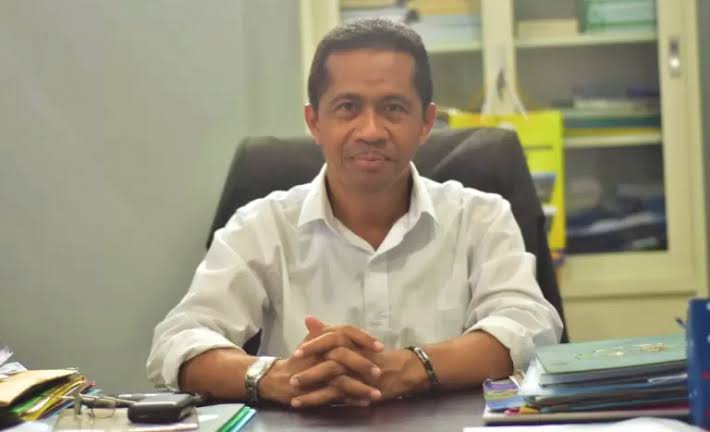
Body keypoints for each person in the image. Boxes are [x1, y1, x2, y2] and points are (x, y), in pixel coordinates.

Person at [147, 18, 562, 409]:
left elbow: (529, 328)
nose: (370, 131)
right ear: (314, 121)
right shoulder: (261, 225)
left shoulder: (481, 217)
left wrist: (411, 368)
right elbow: (178, 341)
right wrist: (275, 375)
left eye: (393, 108)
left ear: (426, 122)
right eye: (347, 107)